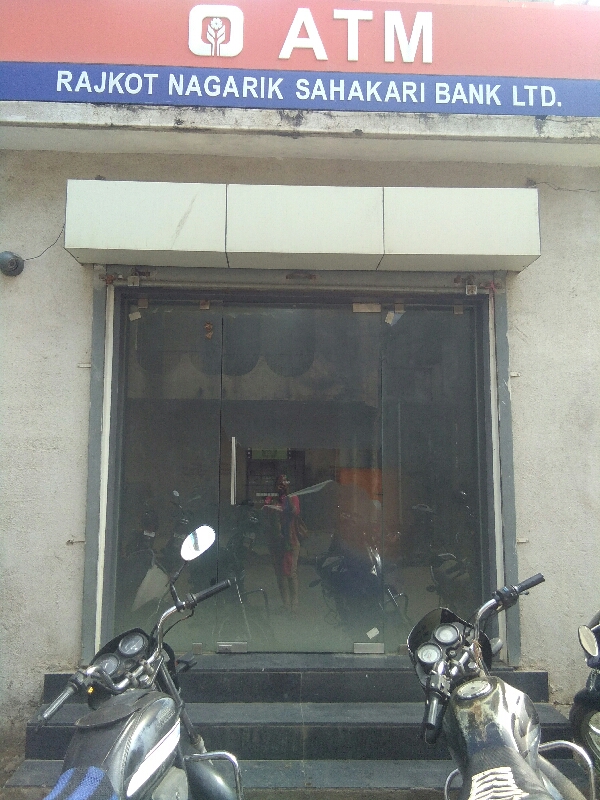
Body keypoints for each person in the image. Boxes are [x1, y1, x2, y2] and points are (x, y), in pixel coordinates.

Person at [263, 474, 301, 614]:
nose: (282, 485)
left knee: (291, 572)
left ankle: (294, 605)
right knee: (280, 574)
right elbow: (265, 511)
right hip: (276, 541)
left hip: (290, 540)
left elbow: (295, 511)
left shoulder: (292, 498)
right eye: (279, 483)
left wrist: (286, 497)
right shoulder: (272, 498)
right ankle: (286, 604)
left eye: (285, 482)